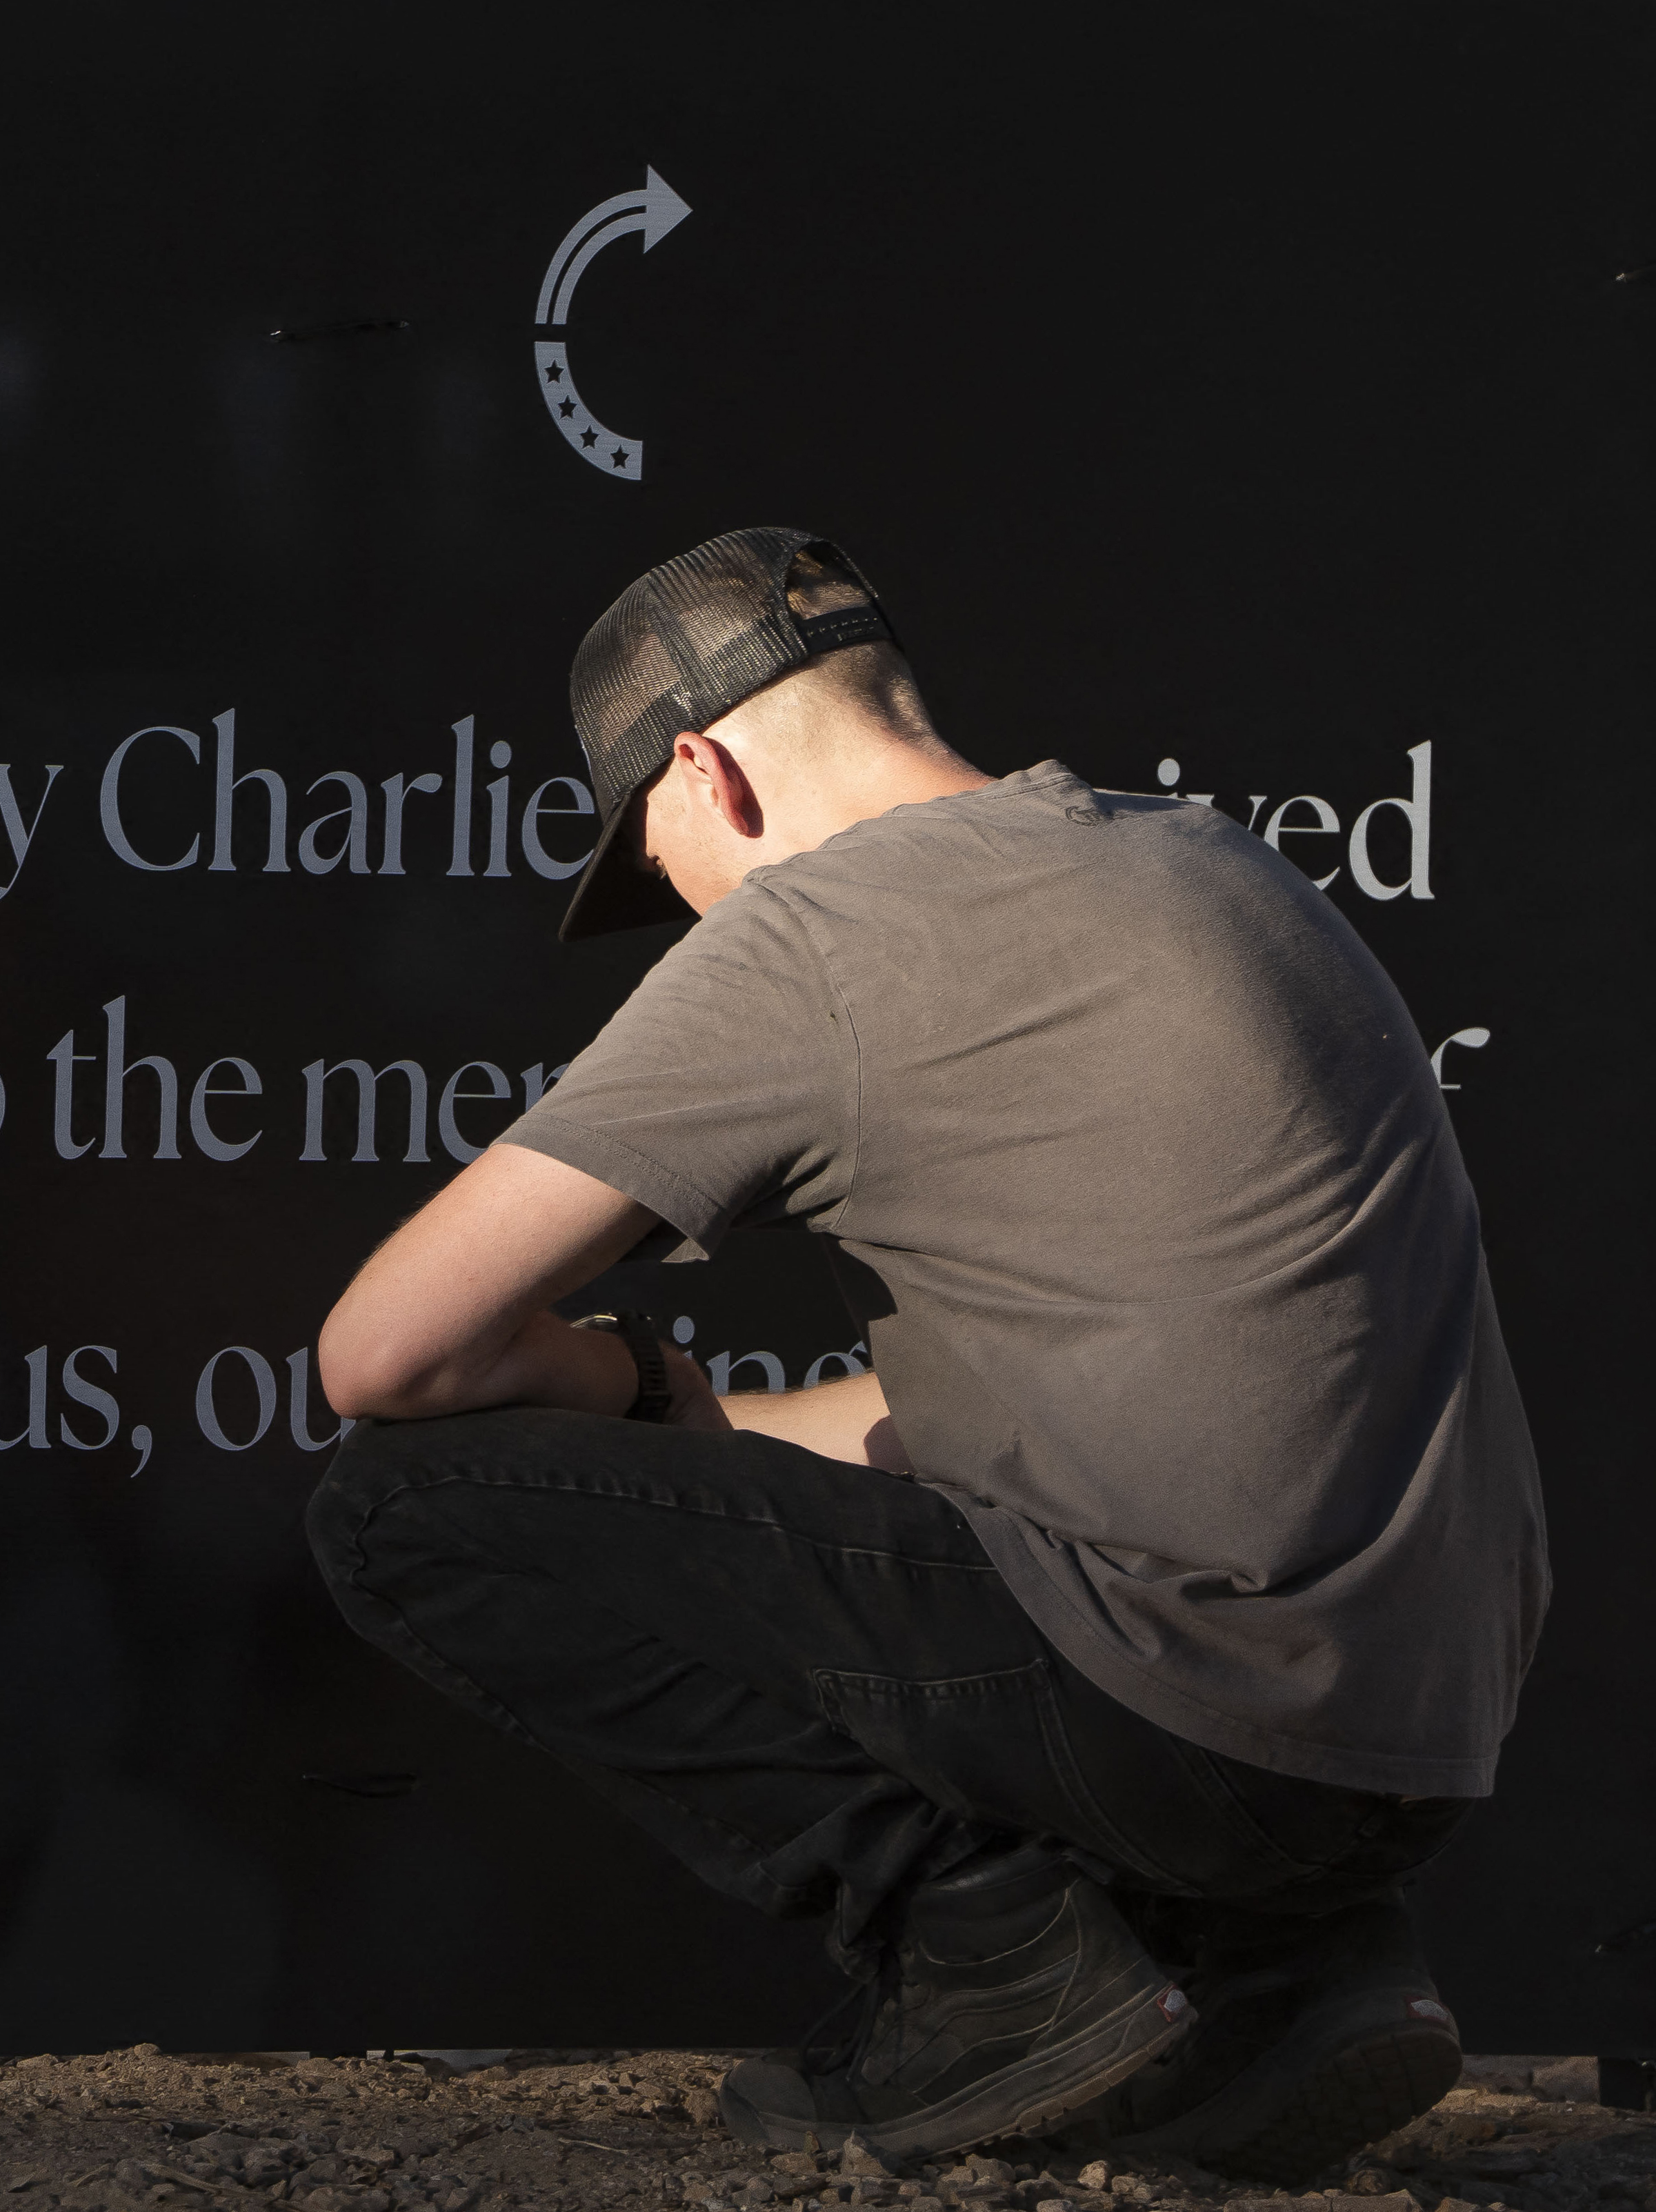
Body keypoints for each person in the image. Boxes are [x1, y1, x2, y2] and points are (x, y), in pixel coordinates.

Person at [306, 529, 1541, 2172]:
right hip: (1412, 1743)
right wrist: (709, 1425)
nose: (672, 904)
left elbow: (383, 1353)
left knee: (398, 1502)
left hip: (1195, 1725)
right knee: (1052, 1573)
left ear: (708, 770)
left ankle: (991, 1953)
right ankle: (1282, 1958)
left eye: (654, 858)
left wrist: (615, 1385)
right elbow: (1013, 1406)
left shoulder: (812, 929)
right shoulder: (1214, 862)